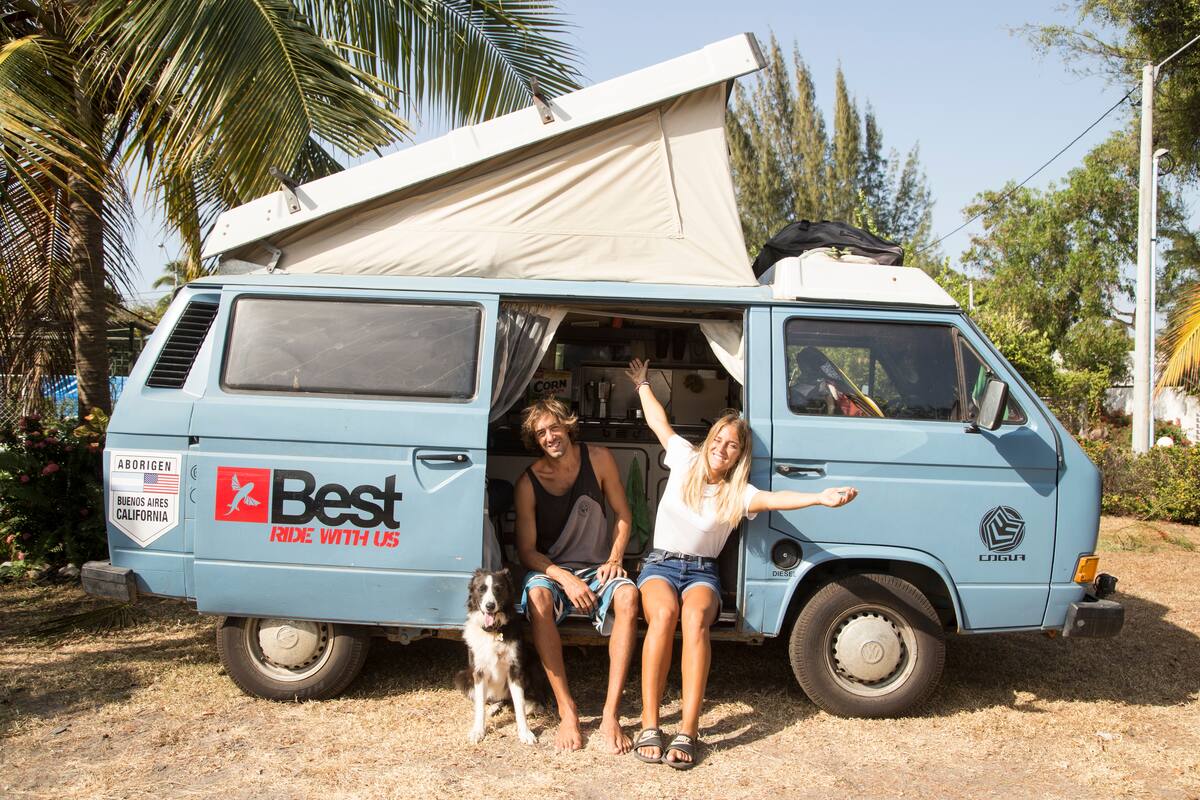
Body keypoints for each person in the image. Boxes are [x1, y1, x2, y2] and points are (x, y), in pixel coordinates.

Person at [625, 359, 858, 769]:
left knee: (695, 619)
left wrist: (821, 497)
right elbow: (658, 423)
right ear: (710, 439)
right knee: (663, 616)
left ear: (738, 455)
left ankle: (688, 730)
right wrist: (643, 384)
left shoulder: (740, 492)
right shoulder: (683, 459)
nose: (722, 448)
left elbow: (778, 499)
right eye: (718, 440)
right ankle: (650, 724)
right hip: (660, 565)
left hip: (701, 572)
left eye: (731, 445)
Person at [514, 397, 640, 753]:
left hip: (598, 565)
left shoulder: (598, 459)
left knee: (629, 596)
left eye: (554, 427)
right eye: (541, 433)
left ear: (568, 426)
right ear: (535, 440)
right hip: (553, 569)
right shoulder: (528, 482)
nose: (550, 437)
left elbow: (623, 514)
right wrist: (565, 579)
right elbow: (526, 552)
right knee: (537, 597)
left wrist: (616, 557)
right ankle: (567, 710)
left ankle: (610, 714)